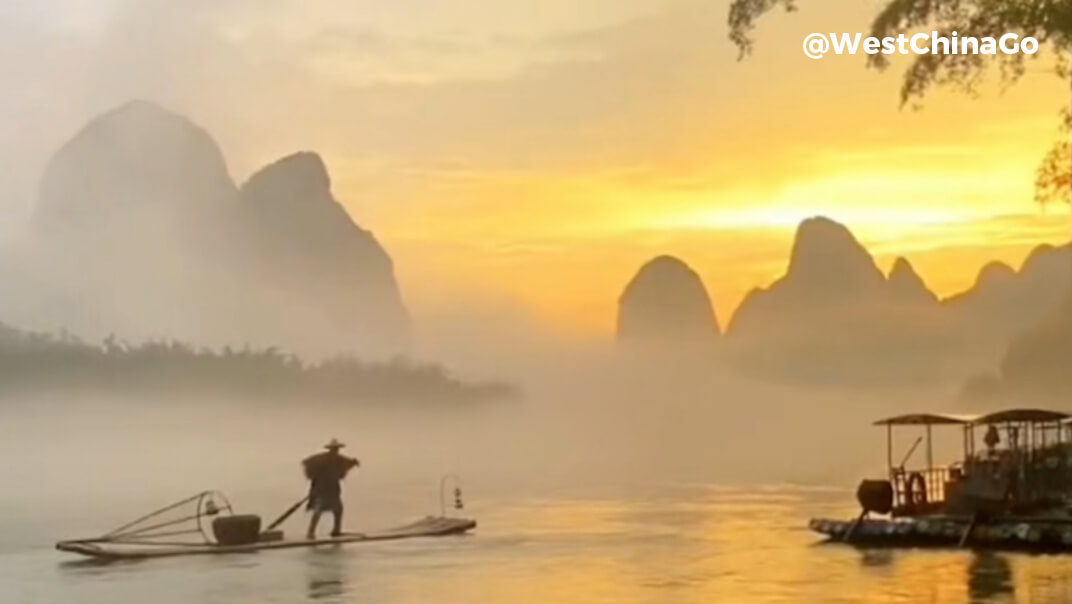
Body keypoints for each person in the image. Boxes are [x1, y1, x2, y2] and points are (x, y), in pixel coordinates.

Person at [302, 439, 360, 539]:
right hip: (321, 489)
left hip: (332, 489)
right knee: (318, 509)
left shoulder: (338, 459)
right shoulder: (321, 459)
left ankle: (336, 530)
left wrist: (353, 462)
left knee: (338, 509)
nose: (336, 450)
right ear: (330, 449)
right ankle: (311, 532)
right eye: (334, 448)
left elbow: (347, 463)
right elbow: (307, 463)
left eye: (337, 449)